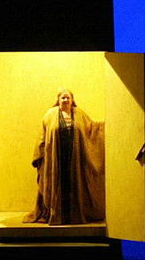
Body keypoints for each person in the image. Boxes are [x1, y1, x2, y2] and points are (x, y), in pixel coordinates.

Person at [23, 89, 105, 224]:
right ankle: (56, 214)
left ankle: (73, 215)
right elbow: (42, 136)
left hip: (75, 159)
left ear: (72, 100)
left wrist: (105, 126)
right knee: (56, 185)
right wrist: (39, 155)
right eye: (63, 98)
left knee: (74, 185)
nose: (65, 100)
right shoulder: (50, 115)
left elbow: (92, 129)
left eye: (68, 98)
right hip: (55, 159)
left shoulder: (79, 114)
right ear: (58, 100)